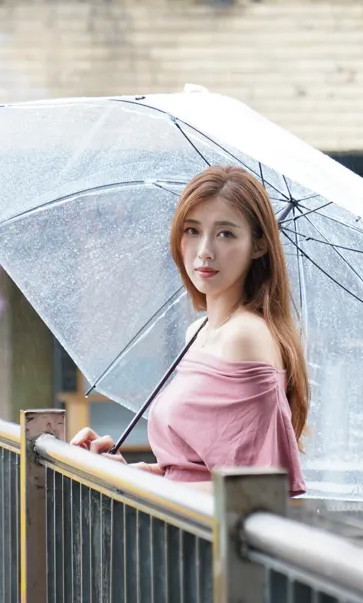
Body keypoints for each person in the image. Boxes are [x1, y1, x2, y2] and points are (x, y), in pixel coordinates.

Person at [70, 165, 308, 496]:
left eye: (225, 234)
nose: (204, 250)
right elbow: (193, 472)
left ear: (259, 246)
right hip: (180, 531)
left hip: (209, 541)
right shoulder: (198, 332)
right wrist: (127, 474)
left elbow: (258, 489)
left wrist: (141, 487)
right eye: (192, 230)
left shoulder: (245, 337)